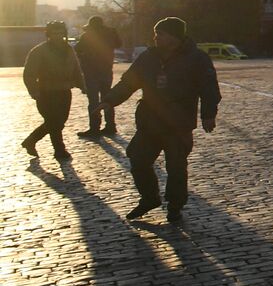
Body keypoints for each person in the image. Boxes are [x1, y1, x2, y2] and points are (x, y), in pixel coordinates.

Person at [101, 17, 220, 223]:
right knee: (138, 160)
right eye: (156, 33)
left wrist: (208, 115)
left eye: (161, 33)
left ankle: (175, 206)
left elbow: (209, 88)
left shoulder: (197, 58)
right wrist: (110, 100)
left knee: (176, 168)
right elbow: (128, 82)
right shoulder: (148, 57)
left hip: (178, 123)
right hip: (150, 121)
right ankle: (149, 198)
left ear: (174, 36)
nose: (156, 37)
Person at [21, 21, 86, 161]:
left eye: (60, 33)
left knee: (59, 122)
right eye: (54, 33)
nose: (57, 36)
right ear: (48, 34)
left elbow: (76, 69)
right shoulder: (39, 51)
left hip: (64, 91)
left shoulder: (69, 49)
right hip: (46, 92)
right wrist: (34, 91)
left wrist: (82, 85)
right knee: (53, 122)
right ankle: (60, 151)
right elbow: (29, 73)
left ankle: (30, 141)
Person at [75, 15, 121, 138]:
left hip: (91, 72)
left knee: (93, 101)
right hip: (106, 70)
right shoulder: (111, 34)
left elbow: (77, 49)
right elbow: (119, 44)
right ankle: (110, 126)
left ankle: (94, 128)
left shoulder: (87, 36)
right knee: (107, 99)